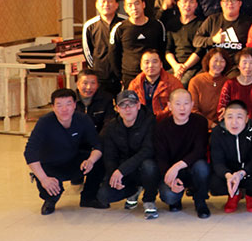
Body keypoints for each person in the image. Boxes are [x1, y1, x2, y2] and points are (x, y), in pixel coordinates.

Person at [24, 88, 104, 214]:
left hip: (74, 161)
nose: (64, 109)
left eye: (68, 104)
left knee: (100, 160)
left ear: (75, 105)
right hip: (50, 165)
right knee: (50, 189)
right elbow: (30, 151)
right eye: (59, 105)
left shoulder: (82, 119)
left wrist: (90, 160)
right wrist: (44, 179)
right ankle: (50, 200)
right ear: (53, 107)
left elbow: (97, 145)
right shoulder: (45, 122)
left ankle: (88, 198)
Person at [97, 89, 159, 218]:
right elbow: (110, 156)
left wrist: (121, 171)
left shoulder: (150, 121)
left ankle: (149, 200)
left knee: (149, 165)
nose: (127, 109)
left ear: (138, 105)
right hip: (125, 170)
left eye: (131, 104)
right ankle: (133, 191)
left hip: (143, 167)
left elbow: (148, 150)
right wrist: (114, 174)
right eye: (123, 105)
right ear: (117, 108)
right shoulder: (111, 127)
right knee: (104, 195)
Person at [154, 88, 211, 218]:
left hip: (192, 168)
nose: (182, 108)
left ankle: (200, 201)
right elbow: (161, 158)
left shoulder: (200, 122)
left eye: (186, 103)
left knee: (202, 167)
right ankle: (176, 199)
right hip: (172, 171)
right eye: (178, 104)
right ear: (169, 106)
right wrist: (171, 178)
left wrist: (178, 166)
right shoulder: (161, 127)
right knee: (169, 196)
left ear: (192, 105)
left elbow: (199, 150)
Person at [209, 100, 252, 214]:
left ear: (246, 119)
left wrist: (242, 173)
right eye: (230, 117)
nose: (234, 122)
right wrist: (228, 176)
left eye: (239, 117)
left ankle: (251, 195)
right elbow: (217, 161)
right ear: (224, 118)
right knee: (214, 184)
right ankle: (234, 194)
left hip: (248, 172)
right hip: (230, 171)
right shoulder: (217, 132)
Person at [111, 0, 167, 88]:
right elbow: (113, 55)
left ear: (143, 4)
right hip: (130, 77)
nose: (134, 8)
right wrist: (120, 77)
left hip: (154, 75)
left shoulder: (157, 25)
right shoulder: (119, 28)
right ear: (125, 9)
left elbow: (163, 49)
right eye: (130, 5)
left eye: (137, 3)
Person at [193, 0, 252, 69]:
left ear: (240, 3)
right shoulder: (212, 20)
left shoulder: (249, 22)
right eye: (226, 1)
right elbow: (196, 41)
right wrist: (213, 40)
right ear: (221, 4)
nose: (230, 3)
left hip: (236, 66)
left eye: (234, 0)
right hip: (214, 65)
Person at [82, 0, 125, 95]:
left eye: (110, 1)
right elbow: (87, 52)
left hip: (123, 74)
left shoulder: (125, 23)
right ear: (97, 5)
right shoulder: (89, 25)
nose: (106, 4)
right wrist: (96, 69)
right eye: (103, 1)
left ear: (116, 5)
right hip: (100, 76)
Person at [218, 48, 252, 123]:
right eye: (244, 62)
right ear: (238, 66)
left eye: (251, 63)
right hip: (234, 125)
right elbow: (222, 108)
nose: (248, 66)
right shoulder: (229, 84)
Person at [128, 50, 184, 118]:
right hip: (141, 121)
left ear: (161, 65)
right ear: (141, 66)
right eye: (147, 62)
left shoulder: (173, 83)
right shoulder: (135, 84)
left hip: (166, 120)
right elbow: (130, 106)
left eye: (154, 62)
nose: (151, 65)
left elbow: (178, 107)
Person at [164, 0, 203, 85]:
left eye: (191, 2)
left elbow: (200, 51)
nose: (187, 5)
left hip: (192, 66)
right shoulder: (172, 23)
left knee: (181, 84)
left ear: (196, 5)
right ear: (178, 4)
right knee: (162, 82)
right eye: (184, 1)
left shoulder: (201, 24)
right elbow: (168, 49)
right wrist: (176, 66)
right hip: (175, 65)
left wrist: (184, 67)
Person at [189, 48, 227, 127]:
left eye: (222, 61)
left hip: (223, 126)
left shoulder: (228, 82)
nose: (218, 64)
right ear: (208, 61)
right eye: (215, 60)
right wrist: (211, 125)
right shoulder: (196, 81)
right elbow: (193, 110)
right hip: (199, 124)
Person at [75, 69, 112, 133]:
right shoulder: (70, 100)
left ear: (97, 85)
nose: (89, 87)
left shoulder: (106, 99)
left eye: (93, 83)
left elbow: (109, 124)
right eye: (85, 83)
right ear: (78, 85)